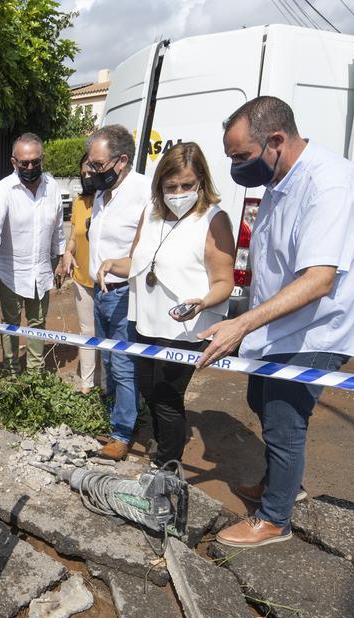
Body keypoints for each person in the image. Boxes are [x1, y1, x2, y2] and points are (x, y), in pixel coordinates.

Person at [200, 96, 354, 547]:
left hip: (317, 327)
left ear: (275, 140)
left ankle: (275, 518)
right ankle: (280, 482)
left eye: (241, 156)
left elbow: (318, 280)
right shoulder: (281, 180)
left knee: (283, 415)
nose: (237, 167)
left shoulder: (328, 184)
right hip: (279, 324)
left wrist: (242, 324)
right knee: (261, 397)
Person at [95, 142, 235, 468]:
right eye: (170, 186)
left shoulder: (213, 221)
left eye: (187, 185)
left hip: (183, 327)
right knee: (148, 390)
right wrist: (111, 264)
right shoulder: (152, 214)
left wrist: (203, 302)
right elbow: (138, 263)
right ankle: (161, 449)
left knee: (169, 399)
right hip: (143, 320)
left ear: (201, 181)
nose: (178, 192)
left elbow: (224, 282)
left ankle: (167, 467)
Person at [85, 124, 152, 461]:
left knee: (124, 364)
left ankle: (123, 434)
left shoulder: (143, 192)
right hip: (101, 292)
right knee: (109, 360)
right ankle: (117, 421)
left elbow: (143, 252)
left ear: (122, 160)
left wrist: (114, 265)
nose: (91, 171)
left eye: (98, 165)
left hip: (125, 292)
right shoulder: (102, 192)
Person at [0, 132, 67, 373]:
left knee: (37, 323)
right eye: (24, 163)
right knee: (10, 324)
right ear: (13, 162)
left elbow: (58, 229)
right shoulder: (4, 189)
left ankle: (35, 372)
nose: (30, 167)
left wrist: (59, 260)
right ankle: (12, 371)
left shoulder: (53, 187)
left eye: (35, 162)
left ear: (42, 159)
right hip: (11, 272)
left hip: (40, 270)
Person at [57, 157, 99, 392]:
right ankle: (87, 385)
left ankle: (107, 384)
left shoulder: (110, 201)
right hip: (83, 277)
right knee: (87, 331)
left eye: (93, 170)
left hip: (109, 282)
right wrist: (67, 254)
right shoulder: (79, 203)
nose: (89, 176)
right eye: (84, 172)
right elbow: (73, 237)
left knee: (108, 335)